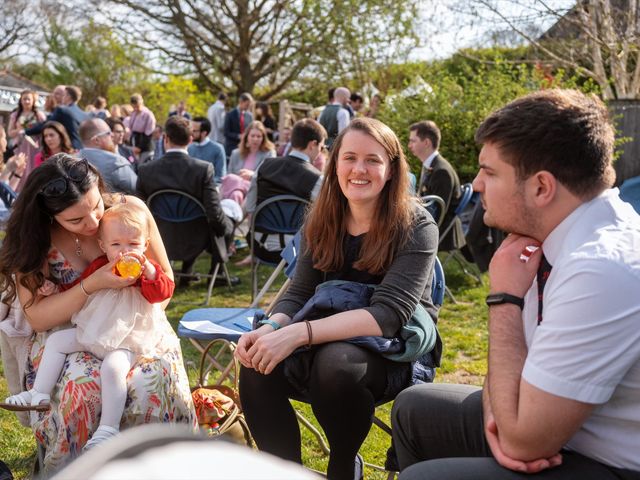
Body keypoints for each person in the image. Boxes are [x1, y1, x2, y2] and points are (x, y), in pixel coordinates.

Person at [392, 89, 640, 479]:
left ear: (541, 188)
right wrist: (503, 422)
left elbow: (524, 442)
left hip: (607, 463)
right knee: (415, 409)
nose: (475, 185)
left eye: (489, 172)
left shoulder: (599, 269)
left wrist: (505, 299)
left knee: (424, 478)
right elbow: (511, 374)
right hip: (546, 425)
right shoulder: (557, 234)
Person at [236, 117, 441, 480]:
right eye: (349, 158)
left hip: (391, 349)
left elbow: (388, 314)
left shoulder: (416, 226)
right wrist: (271, 327)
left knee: (336, 363)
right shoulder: (322, 219)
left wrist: (299, 334)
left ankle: (343, 464)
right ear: (334, 164)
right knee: (256, 363)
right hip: (322, 334)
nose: (359, 169)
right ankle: (286, 473)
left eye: (372, 160)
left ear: (391, 169)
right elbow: (298, 293)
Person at [0, 154, 195, 472]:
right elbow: (38, 317)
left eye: (95, 207)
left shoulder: (130, 212)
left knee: (153, 384)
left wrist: (127, 328)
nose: (92, 224)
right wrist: (92, 284)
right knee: (83, 389)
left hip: (138, 328)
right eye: (76, 221)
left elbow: (166, 284)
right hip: (69, 330)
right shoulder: (35, 239)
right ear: (49, 216)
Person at [3, 202, 178, 450]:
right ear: (103, 246)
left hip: (127, 337)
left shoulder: (146, 273)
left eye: (133, 245)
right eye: (116, 245)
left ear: (145, 246)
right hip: (95, 330)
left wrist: (149, 271)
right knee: (57, 342)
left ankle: (108, 428)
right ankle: (38, 393)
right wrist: (55, 289)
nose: (124, 251)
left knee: (113, 368)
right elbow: (79, 288)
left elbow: (162, 292)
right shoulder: (100, 266)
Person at [136, 116, 238, 287]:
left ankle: (187, 275)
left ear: (165, 139)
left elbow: (138, 210)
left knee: (195, 220)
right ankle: (216, 276)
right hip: (197, 237)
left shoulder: (146, 170)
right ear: (191, 139)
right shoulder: (203, 169)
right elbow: (214, 212)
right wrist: (228, 227)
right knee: (226, 222)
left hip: (159, 237)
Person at [243, 118, 326, 262]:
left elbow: (250, 207)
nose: (321, 152)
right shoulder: (317, 179)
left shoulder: (265, 165)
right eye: (322, 147)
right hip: (299, 251)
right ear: (313, 144)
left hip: (259, 245)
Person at [408, 120, 465, 252]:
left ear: (426, 143)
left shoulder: (441, 171)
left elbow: (438, 213)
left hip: (441, 232)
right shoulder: (432, 165)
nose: (409, 145)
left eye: (413, 141)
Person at [221, 120, 275, 206]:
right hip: (236, 191)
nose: (255, 139)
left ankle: (231, 217)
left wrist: (252, 175)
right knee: (236, 194)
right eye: (252, 136)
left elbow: (269, 177)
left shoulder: (269, 153)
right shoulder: (236, 153)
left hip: (257, 190)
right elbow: (229, 176)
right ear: (247, 137)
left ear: (263, 138)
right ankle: (235, 217)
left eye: (259, 136)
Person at [80, 118, 138, 194]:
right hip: (116, 205)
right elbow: (138, 189)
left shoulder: (73, 160)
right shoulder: (115, 162)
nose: (112, 135)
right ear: (96, 140)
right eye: (108, 133)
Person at [25, 85, 88, 151]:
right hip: (81, 149)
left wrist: (27, 131)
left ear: (68, 96)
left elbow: (47, 125)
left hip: (68, 149)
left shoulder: (62, 110)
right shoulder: (84, 114)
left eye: (63, 95)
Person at [7, 89, 46, 189]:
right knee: (18, 168)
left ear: (33, 100)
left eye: (28, 99)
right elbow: (10, 133)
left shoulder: (39, 115)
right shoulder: (15, 115)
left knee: (32, 168)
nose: (26, 101)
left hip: (34, 146)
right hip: (19, 146)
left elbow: (45, 130)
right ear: (21, 100)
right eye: (24, 99)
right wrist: (20, 129)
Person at [188, 117, 227, 185]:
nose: (191, 133)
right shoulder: (189, 148)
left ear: (204, 133)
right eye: (190, 130)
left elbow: (220, 177)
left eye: (194, 131)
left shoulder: (218, 149)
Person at [126, 93, 156, 162]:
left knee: (143, 166)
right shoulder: (133, 113)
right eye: (134, 107)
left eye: (137, 106)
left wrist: (140, 147)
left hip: (145, 144)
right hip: (134, 142)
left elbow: (149, 132)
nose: (136, 108)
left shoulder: (148, 114)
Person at [223, 92, 254, 156]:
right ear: (241, 102)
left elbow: (252, 129)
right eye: (247, 105)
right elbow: (226, 132)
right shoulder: (230, 114)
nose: (248, 107)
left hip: (246, 147)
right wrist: (238, 136)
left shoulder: (250, 116)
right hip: (232, 147)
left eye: (249, 105)